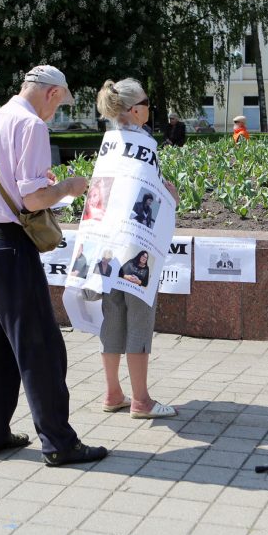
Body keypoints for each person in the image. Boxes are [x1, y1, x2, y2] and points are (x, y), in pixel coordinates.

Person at [0, 64, 107, 466]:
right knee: (41, 349)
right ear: (50, 93)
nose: (57, 112)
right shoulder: (32, 127)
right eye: (59, 103)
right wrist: (68, 186)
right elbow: (32, 201)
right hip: (11, 248)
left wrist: (39, 187)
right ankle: (60, 443)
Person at [96, 78, 180, 420]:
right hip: (135, 243)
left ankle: (113, 392)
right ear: (134, 109)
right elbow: (145, 195)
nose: (151, 107)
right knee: (139, 319)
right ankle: (141, 401)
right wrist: (168, 195)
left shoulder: (110, 141)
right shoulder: (144, 143)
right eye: (147, 102)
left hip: (105, 243)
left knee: (112, 315)